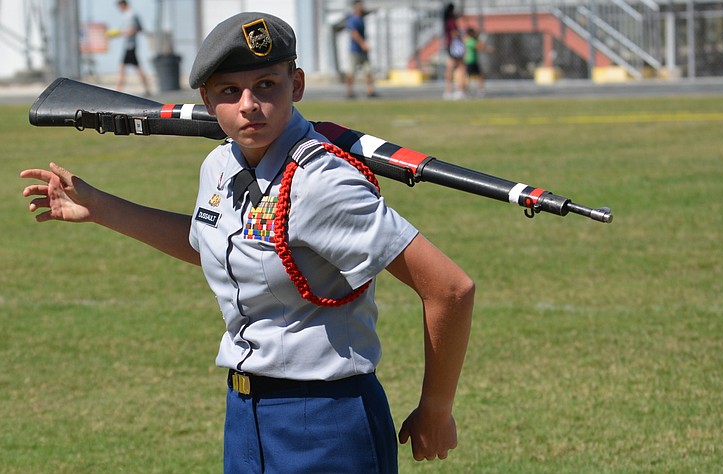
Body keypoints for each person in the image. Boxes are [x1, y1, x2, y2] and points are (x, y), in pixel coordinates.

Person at [21, 11, 474, 474]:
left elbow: (449, 288)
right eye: (228, 92)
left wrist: (436, 409)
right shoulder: (219, 165)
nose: (248, 105)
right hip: (245, 414)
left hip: (326, 421)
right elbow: (210, 245)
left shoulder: (323, 182)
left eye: (265, 86)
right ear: (207, 99)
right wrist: (100, 206)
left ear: (295, 84)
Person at [114, 0, 151, 95]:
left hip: (130, 46)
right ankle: (147, 88)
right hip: (130, 45)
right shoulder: (132, 14)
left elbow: (133, 30)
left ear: (123, 4)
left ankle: (118, 91)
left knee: (122, 67)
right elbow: (140, 28)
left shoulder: (130, 15)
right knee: (137, 68)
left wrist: (118, 33)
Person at [344, 0, 377, 99]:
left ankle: (370, 91)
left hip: (362, 52)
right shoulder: (353, 19)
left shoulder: (361, 19)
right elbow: (354, 33)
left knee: (368, 71)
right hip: (355, 51)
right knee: (351, 72)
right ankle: (349, 92)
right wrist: (363, 44)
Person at [442, 3, 465, 100]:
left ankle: (449, 91)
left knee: (450, 68)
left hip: (450, 46)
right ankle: (459, 90)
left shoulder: (446, 21)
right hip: (455, 46)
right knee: (460, 67)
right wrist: (463, 32)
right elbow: (454, 33)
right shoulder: (451, 22)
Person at [461, 27, 491, 97]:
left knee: (480, 76)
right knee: (468, 77)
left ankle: (480, 90)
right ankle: (464, 91)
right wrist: (482, 42)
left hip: (473, 61)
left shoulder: (471, 40)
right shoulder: (470, 41)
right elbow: (479, 47)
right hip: (470, 61)